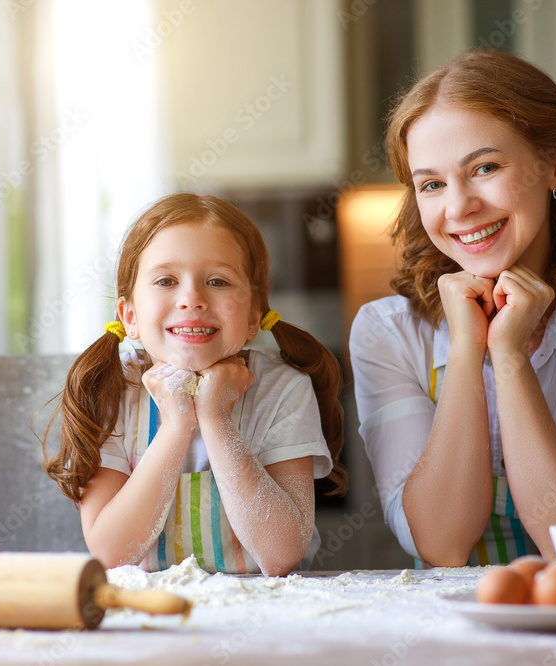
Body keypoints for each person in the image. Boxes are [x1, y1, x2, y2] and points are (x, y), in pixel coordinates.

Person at [350, 50, 556, 567]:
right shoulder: (386, 333)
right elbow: (441, 544)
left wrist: (508, 355)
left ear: (555, 166)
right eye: (432, 183)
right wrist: (467, 349)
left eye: (485, 167)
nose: (459, 207)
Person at [44, 193, 346, 576]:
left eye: (217, 281)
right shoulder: (112, 392)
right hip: (147, 619)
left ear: (255, 316)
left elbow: (280, 553)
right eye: (166, 280)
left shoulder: (283, 390)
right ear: (130, 316)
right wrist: (175, 426)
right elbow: (112, 554)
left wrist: (216, 418)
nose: (192, 299)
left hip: (263, 614)